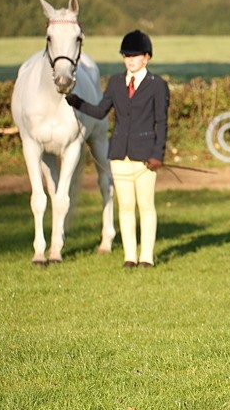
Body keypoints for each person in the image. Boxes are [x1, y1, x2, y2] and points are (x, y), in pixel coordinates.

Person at [67, 30, 169, 267]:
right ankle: (130, 256)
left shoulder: (157, 85)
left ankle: (147, 257)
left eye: (135, 56)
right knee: (124, 206)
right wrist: (77, 102)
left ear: (146, 57)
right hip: (118, 154)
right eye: (126, 56)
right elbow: (101, 111)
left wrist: (158, 154)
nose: (130, 60)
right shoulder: (115, 82)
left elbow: (161, 123)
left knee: (145, 205)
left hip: (145, 157)